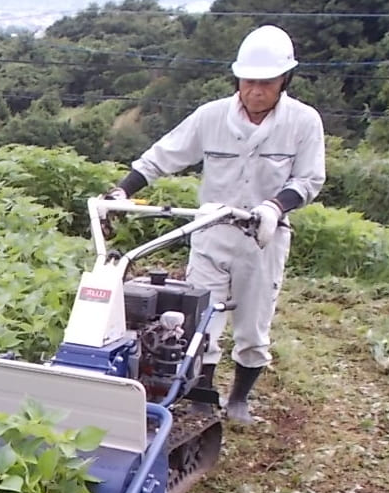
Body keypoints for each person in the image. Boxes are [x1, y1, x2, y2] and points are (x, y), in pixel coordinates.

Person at [107, 25, 326, 424]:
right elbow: (164, 155)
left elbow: (309, 180)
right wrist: (123, 191)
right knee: (200, 317)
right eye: (249, 81)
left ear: (285, 80)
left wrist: (275, 207)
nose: (256, 91)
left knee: (253, 325)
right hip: (210, 232)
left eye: (266, 83)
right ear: (237, 79)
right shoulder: (211, 116)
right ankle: (202, 395)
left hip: (263, 237)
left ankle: (239, 398)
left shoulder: (303, 121)